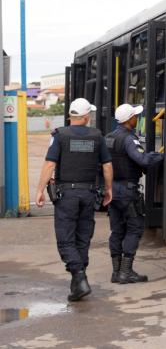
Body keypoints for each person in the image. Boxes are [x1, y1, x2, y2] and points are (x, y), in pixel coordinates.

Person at [34, 98, 113, 302]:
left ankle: (79, 276)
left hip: (66, 195)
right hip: (89, 195)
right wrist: (109, 189)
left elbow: (49, 164)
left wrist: (40, 190)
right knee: (83, 237)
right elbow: (107, 166)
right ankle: (78, 285)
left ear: (71, 116)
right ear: (86, 117)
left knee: (66, 239)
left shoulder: (60, 136)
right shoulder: (97, 136)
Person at [107, 103, 164, 284]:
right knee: (135, 228)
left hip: (112, 191)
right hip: (127, 191)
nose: (137, 118)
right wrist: (158, 156)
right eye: (135, 116)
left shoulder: (109, 138)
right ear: (129, 120)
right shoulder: (129, 139)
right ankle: (126, 271)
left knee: (117, 230)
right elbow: (141, 159)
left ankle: (116, 272)